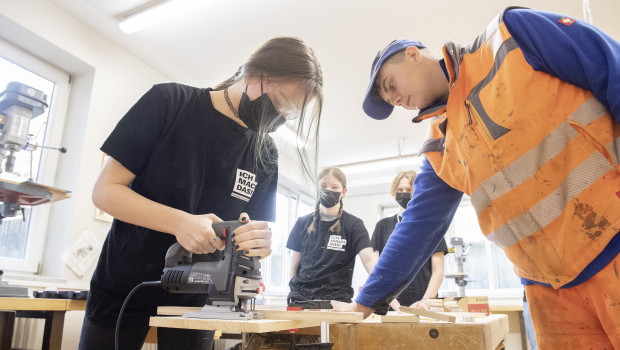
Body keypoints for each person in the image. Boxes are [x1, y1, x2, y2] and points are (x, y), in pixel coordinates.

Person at [332, 7, 620, 349]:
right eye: (389, 100)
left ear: (412, 55)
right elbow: (418, 226)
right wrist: (366, 301)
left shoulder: (510, 36)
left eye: (390, 85)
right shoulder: (439, 144)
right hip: (548, 292)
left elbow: (609, 68)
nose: (395, 99)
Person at [79, 36, 324, 350]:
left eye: (288, 114)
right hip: (125, 285)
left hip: (199, 297)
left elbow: (252, 229)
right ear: (256, 75)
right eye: (279, 105)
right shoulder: (169, 102)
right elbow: (105, 192)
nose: (278, 118)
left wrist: (261, 243)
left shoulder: (266, 153)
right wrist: (180, 223)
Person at [287, 167, 378, 303]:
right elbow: (295, 262)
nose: (328, 190)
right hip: (301, 298)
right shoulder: (302, 223)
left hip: (336, 301)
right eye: (323, 186)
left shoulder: (354, 225)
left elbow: (370, 260)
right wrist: (293, 292)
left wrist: (387, 290)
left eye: (334, 187)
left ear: (343, 192)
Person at [371, 170, 447, 310]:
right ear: (394, 192)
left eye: (409, 190)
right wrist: (389, 299)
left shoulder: (432, 225)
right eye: (400, 190)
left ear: (417, 192)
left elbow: (438, 270)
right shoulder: (383, 226)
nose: (404, 193)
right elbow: (375, 267)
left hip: (422, 305)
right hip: (388, 304)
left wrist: (425, 301)